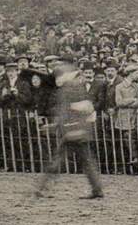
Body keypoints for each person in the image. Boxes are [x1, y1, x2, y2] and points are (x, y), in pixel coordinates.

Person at [34, 61, 104, 200]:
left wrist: (57, 125)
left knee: (57, 161)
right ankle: (97, 190)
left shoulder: (69, 89)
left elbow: (72, 110)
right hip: (79, 131)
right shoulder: (75, 87)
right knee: (87, 162)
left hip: (71, 131)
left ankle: (43, 188)